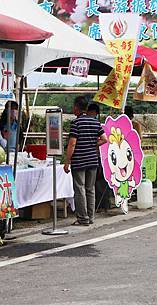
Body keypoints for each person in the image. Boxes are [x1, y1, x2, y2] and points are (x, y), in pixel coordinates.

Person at [64, 96, 107, 225]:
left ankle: (83, 218)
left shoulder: (76, 123)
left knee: (80, 189)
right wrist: (93, 145)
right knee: (90, 189)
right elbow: (104, 139)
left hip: (79, 160)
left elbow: (72, 144)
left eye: (73, 106)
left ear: (77, 108)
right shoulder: (95, 122)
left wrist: (67, 161)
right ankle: (91, 217)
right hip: (93, 160)